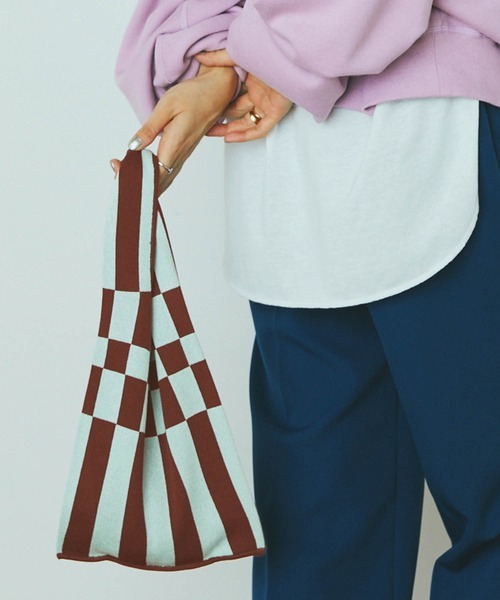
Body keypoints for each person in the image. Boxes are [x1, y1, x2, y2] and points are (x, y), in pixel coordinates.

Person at [110, 1, 500, 598]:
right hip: (423, 126)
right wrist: (254, 61)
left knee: (319, 540)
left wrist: (233, 60)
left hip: (304, 155)